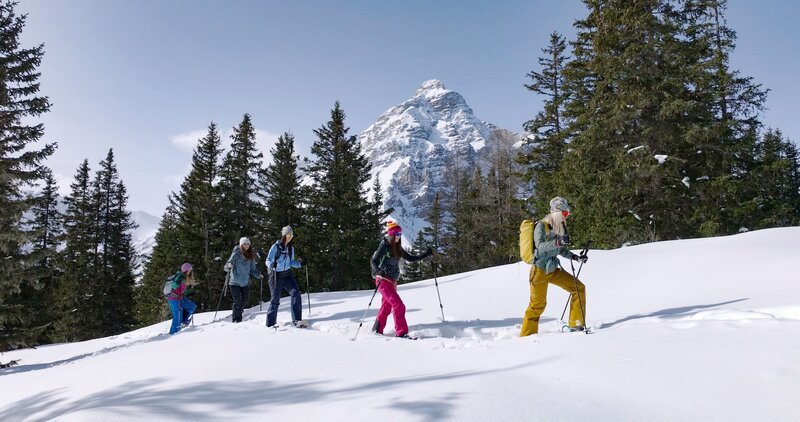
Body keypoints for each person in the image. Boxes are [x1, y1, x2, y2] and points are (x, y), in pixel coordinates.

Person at [520, 197, 588, 336]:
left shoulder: (558, 227)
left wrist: (576, 257)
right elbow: (540, 246)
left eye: (567, 214)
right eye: (564, 213)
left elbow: (560, 250)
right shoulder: (541, 226)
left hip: (552, 269)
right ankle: (527, 336)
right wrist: (558, 241)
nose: (566, 216)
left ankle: (576, 325)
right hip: (539, 270)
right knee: (537, 305)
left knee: (578, 289)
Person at [370, 221, 432, 338]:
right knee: (399, 305)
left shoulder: (397, 247)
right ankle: (402, 332)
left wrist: (425, 254)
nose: (399, 236)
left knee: (386, 307)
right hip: (383, 281)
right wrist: (379, 271)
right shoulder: (385, 245)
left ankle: (377, 329)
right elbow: (374, 261)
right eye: (397, 234)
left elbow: (411, 258)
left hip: (392, 282)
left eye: (400, 234)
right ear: (392, 234)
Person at [265, 225, 305, 328]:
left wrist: (300, 264)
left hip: (287, 275)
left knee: (296, 294)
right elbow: (268, 260)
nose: (290, 237)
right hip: (276, 276)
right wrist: (271, 265)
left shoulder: (291, 248)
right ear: (283, 235)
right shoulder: (275, 247)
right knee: (275, 299)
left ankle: (297, 320)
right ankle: (270, 324)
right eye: (288, 235)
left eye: (291, 235)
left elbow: (291, 262)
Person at [224, 237, 263, 323]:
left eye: (248, 244)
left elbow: (252, 269)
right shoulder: (236, 254)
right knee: (237, 301)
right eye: (244, 244)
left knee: (245, 300)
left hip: (245, 282)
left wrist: (258, 275)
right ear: (241, 245)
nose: (246, 246)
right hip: (234, 282)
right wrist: (229, 266)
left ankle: (237, 311)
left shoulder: (251, 256)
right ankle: (237, 320)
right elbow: (226, 266)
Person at [167, 263, 198, 335]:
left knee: (191, 306)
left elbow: (182, 290)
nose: (190, 272)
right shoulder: (180, 276)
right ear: (186, 270)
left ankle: (183, 322)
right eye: (189, 270)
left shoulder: (185, 277)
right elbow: (174, 286)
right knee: (177, 317)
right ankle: (173, 333)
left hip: (180, 298)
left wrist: (189, 293)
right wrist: (177, 283)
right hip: (173, 299)